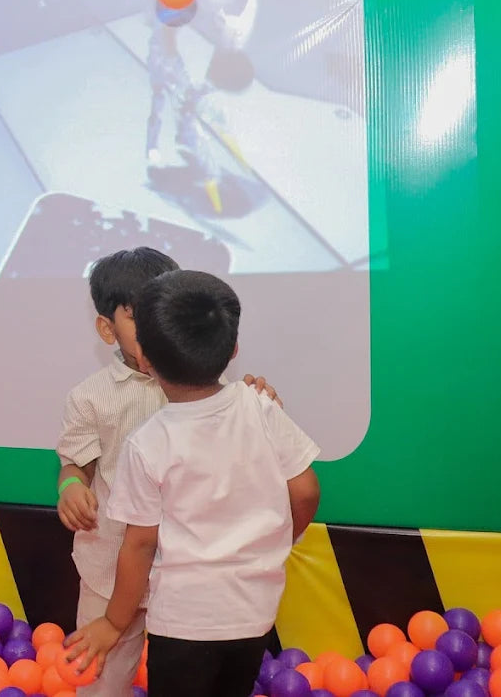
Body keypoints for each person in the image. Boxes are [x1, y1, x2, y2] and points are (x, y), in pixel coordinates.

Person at [66, 270, 321, 697]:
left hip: (184, 621)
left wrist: (112, 622)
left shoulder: (149, 442)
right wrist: (279, 539)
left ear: (144, 359)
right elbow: (306, 490)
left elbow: (139, 544)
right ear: (233, 349)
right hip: (253, 611)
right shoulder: (260, 407)